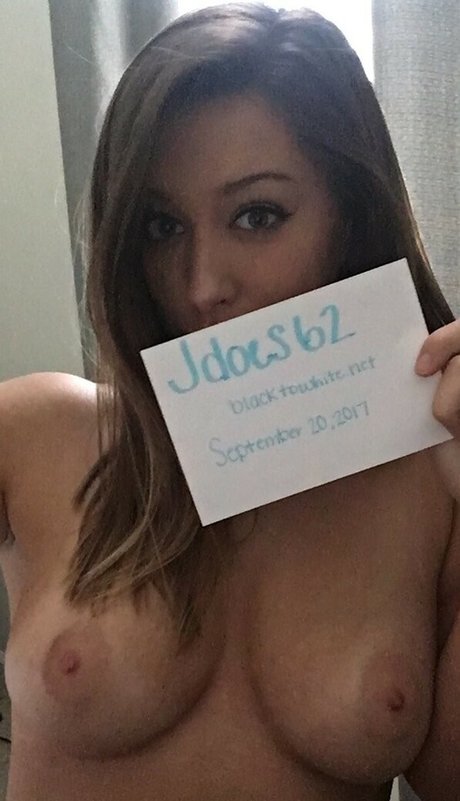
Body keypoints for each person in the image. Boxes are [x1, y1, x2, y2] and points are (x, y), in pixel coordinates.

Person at [1, 3, 460, 800]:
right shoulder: (38, 432)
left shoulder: (433, 481)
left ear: (349, 220)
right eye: (161, 226)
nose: (203, 283)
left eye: (257, 216)